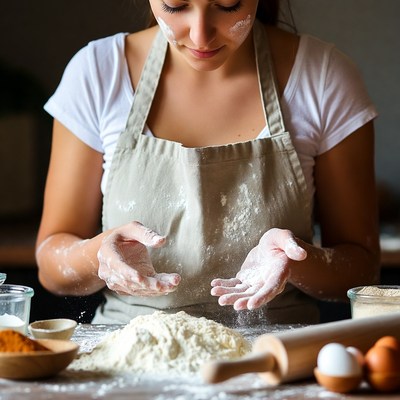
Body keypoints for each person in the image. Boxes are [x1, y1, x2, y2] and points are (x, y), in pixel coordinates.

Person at [36, 0, 380, 326]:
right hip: (127, 353)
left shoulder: (322, 77)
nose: (200, 34)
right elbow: (52, 266)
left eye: (228, 5)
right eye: (176, 5)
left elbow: (361, 269)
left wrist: (295, 260)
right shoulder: (99, 72)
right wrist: (100, 253)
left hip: (275, 359)